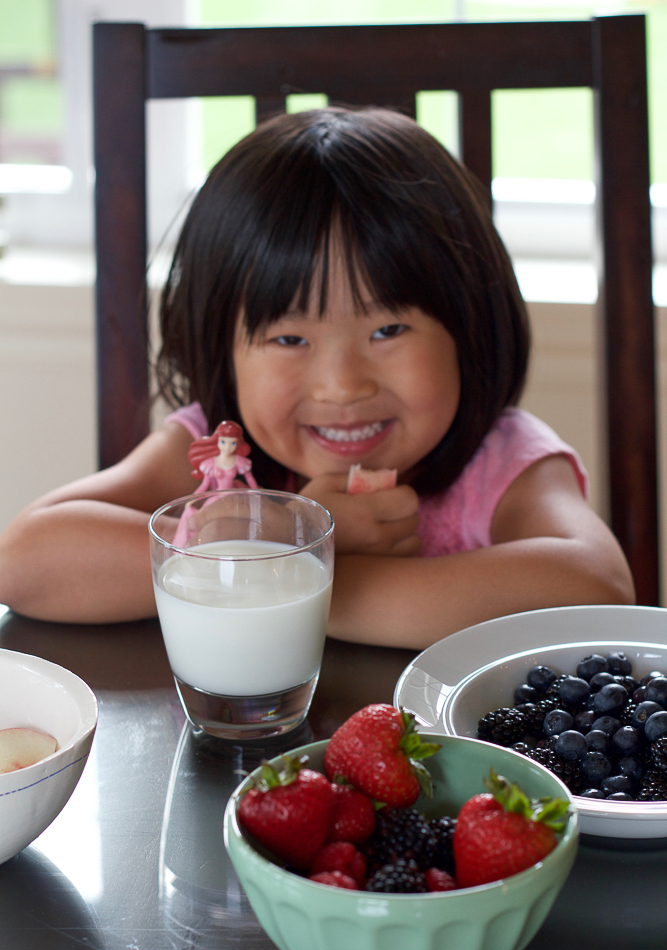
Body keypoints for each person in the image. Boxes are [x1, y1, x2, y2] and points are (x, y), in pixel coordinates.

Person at [0, 108, 633, 646]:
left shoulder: (502, 460)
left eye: (387, 330)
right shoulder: (222, 455)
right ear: (224, 349)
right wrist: (267, 529)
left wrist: (297, 572)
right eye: (289, 338)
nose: (342, 386)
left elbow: (596, 588)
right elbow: (26, 560)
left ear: (470, 326)